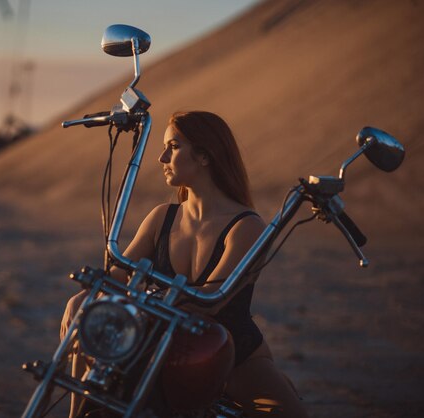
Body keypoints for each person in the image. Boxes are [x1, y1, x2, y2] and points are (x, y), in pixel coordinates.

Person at [61, 111, 308, 417]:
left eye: (173, 147)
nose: (162, 157)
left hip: (229, 352)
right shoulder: (162, 217)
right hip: (160, 342)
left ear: (205, 156)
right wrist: (86, 298)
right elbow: (117, 275)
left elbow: (209, 303)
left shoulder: (246, 226)